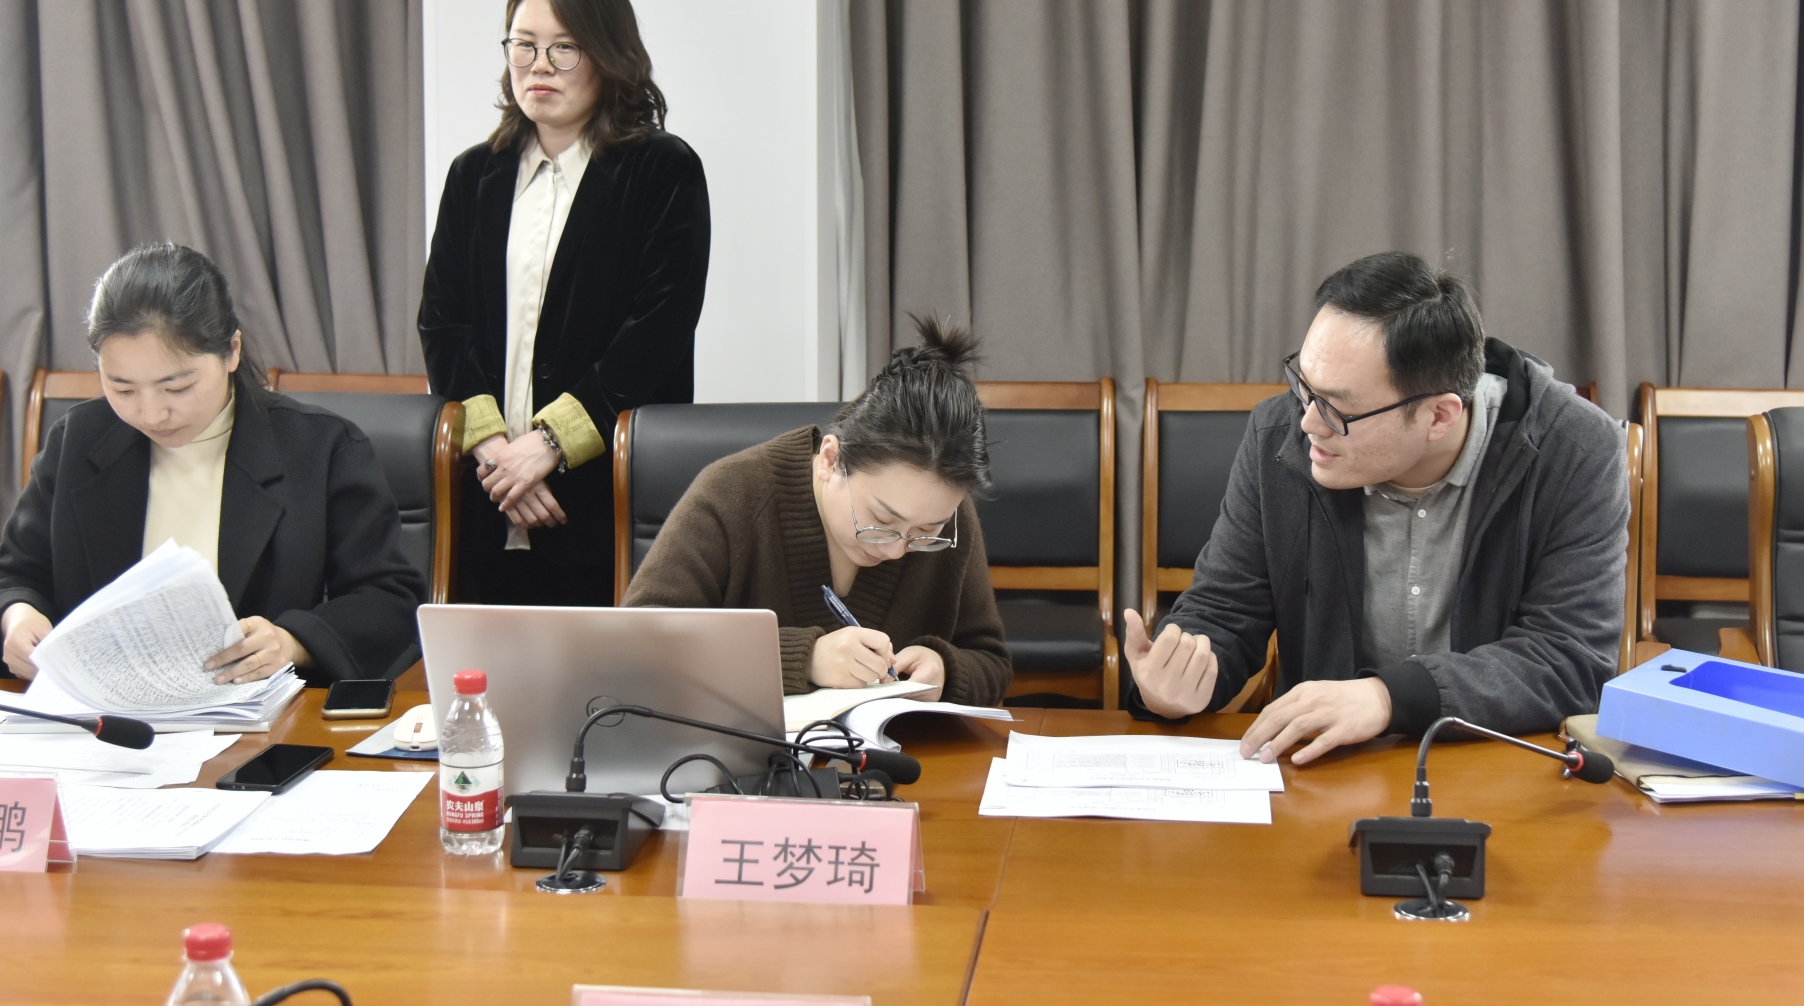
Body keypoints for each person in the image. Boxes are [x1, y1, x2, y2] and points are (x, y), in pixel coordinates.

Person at [1124, 251, 1626, 765]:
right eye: (1304, 386)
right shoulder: (1278, 435)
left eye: (1338, 408)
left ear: (1439, 416)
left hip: (1499, 762)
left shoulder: (1576, 449)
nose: (1308, 423)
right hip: (1326, 767)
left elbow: (1571, 659)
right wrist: (1177, 682)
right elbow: (1226, 611)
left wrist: (1389, 698)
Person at [0, 244, 424, 684]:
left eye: (177, 387)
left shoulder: (320, 448)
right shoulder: (79, 440)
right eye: (123, 389)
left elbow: (388, 599)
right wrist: (17, 617)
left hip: (257, 715)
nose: (151, 414)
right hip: (105, 717)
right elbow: (11, 576)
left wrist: (293, 642)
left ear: (232, 351)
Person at [420, 0, 711, 606]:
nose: (539, 66)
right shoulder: (474, 175)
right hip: (486, 493)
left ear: (608, 55)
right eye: (524, 46)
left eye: (564, 48)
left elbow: (659, 329)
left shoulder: (662, 170)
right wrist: (496, 454)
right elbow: (442, 322)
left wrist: (549, 445)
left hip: (605, 495)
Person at [625, 317, 1012, 706]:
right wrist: (802, 659)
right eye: (881, 521)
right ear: (831, 460)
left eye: (924, 532)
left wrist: (945, 669)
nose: (896, 550)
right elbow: (636, 645)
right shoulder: (734, 493)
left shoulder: (947, 512)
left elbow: (991, 662)